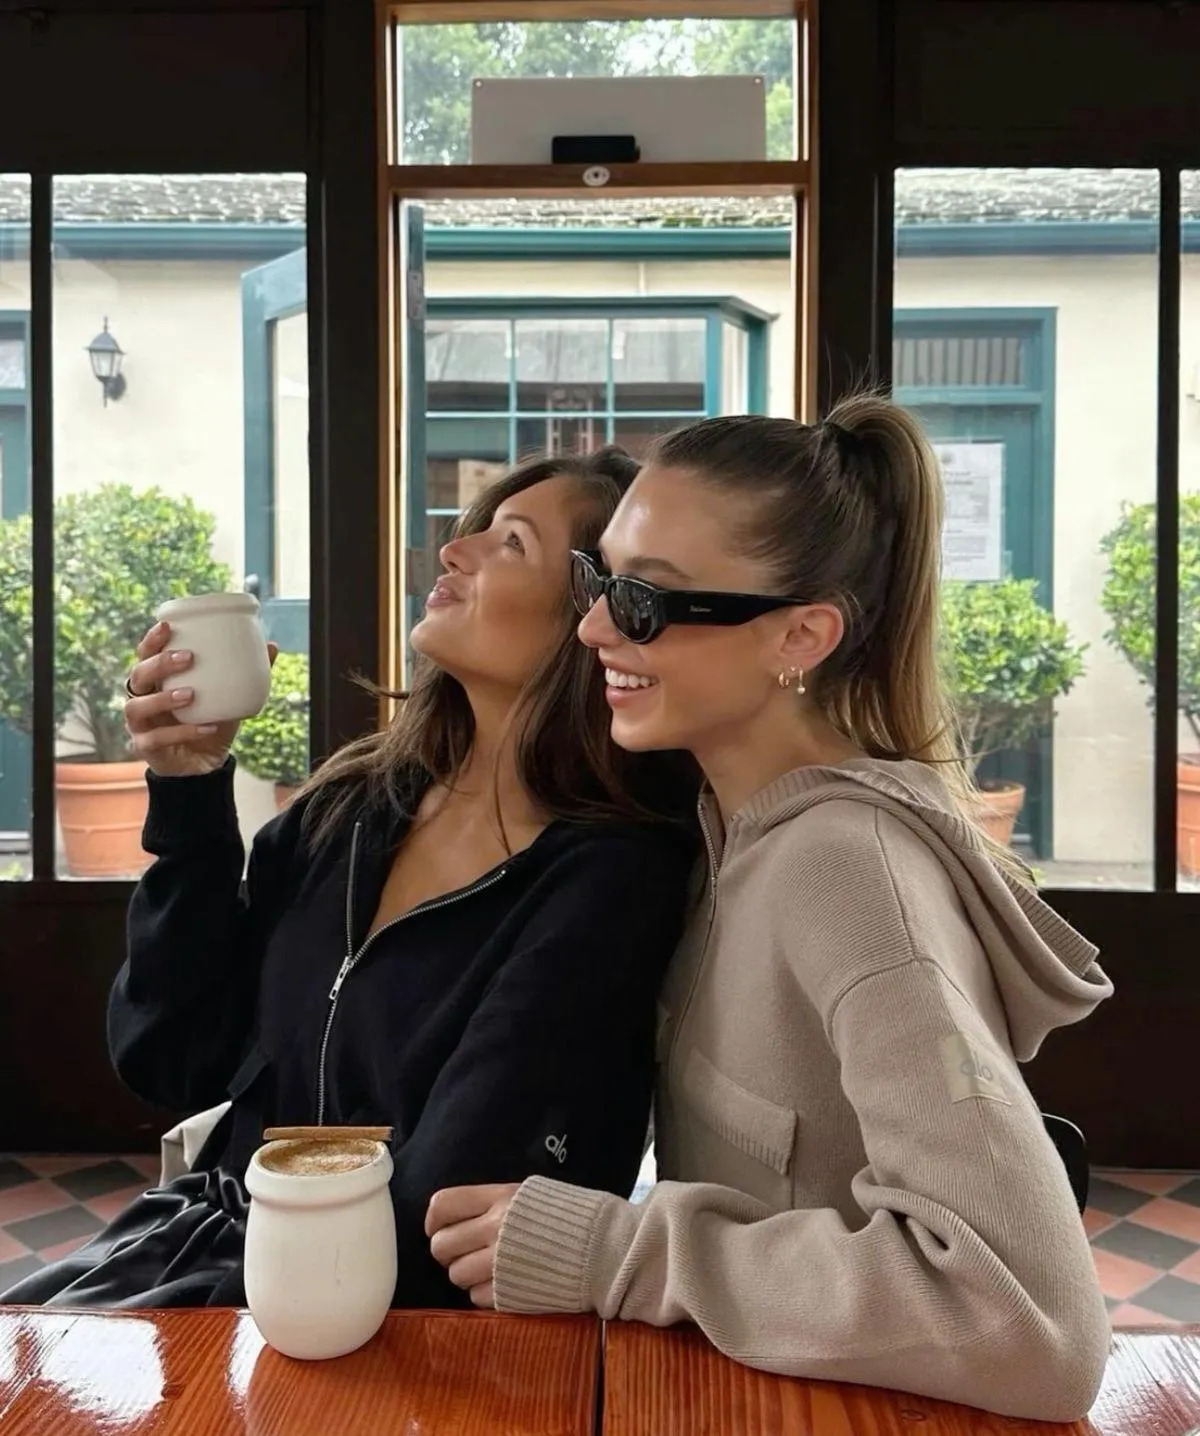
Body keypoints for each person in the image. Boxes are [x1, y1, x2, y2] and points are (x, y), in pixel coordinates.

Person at [425, 401, 1113, 1422]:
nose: (594, 626)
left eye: (647, 600)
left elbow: (1032, 1319)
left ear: (802, 633)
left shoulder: (846, 873)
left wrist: (619, 1248)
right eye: (597, 578)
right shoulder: (724, 828)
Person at [1, 448, 698, 1311]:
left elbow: (445, 1210)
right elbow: (172, 1058)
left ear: (593, 618)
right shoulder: (351, 810)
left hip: (382, 1317)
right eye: (470, 531)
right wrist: (188, 796)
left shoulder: (611, 878)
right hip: (203, 1243)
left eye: (509, 543)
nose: (455, 552)